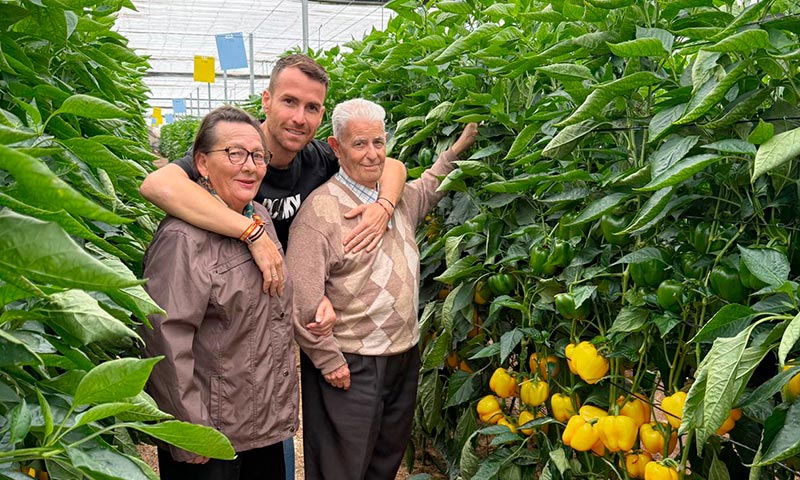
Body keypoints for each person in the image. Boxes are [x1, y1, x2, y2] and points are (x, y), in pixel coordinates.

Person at [287, 98, 478, 480]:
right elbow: (301, 297)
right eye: (359, 144)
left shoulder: (397, 198)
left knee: (384, 458)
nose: (372, 154)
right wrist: (328, 360)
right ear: (336, 147)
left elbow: (429, 186)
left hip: (402, 353)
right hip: (351, 360)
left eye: (378, 142)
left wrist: (458, 148)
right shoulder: (320, 212)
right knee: (341, 466)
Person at [139, 54, 407, 298]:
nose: (299, 118)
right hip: (226, 292)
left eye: (312, 107)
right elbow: (157, 185)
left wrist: (383, 206)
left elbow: (391, 166)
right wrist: (252, 233)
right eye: (289, 102)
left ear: (321, 114)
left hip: (283, 296)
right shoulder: (233, 153)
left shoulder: (318, 157)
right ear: (267, 101)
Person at [140, 106, 295, 479]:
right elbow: (165, 336)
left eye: (258, 156)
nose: (250, 166)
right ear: (202, 164)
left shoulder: (258, 216)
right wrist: (190, 430)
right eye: (234, 153)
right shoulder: (183, 238)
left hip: (261, 426)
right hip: (212, 436)